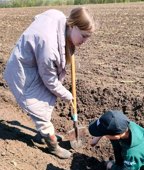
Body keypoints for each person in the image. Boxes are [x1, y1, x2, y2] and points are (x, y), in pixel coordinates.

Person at [3, 7, 95, 159]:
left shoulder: (58, 16)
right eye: (84, 36)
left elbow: (37, 18)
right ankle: (52, 146)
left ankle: (43, 134)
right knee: (38, 107)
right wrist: (67, 95)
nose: (85, 42)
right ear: (72, 25)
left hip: (33, 62)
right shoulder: (49, 48)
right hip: (23, 72)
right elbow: (50, 81)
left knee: (46, 100)